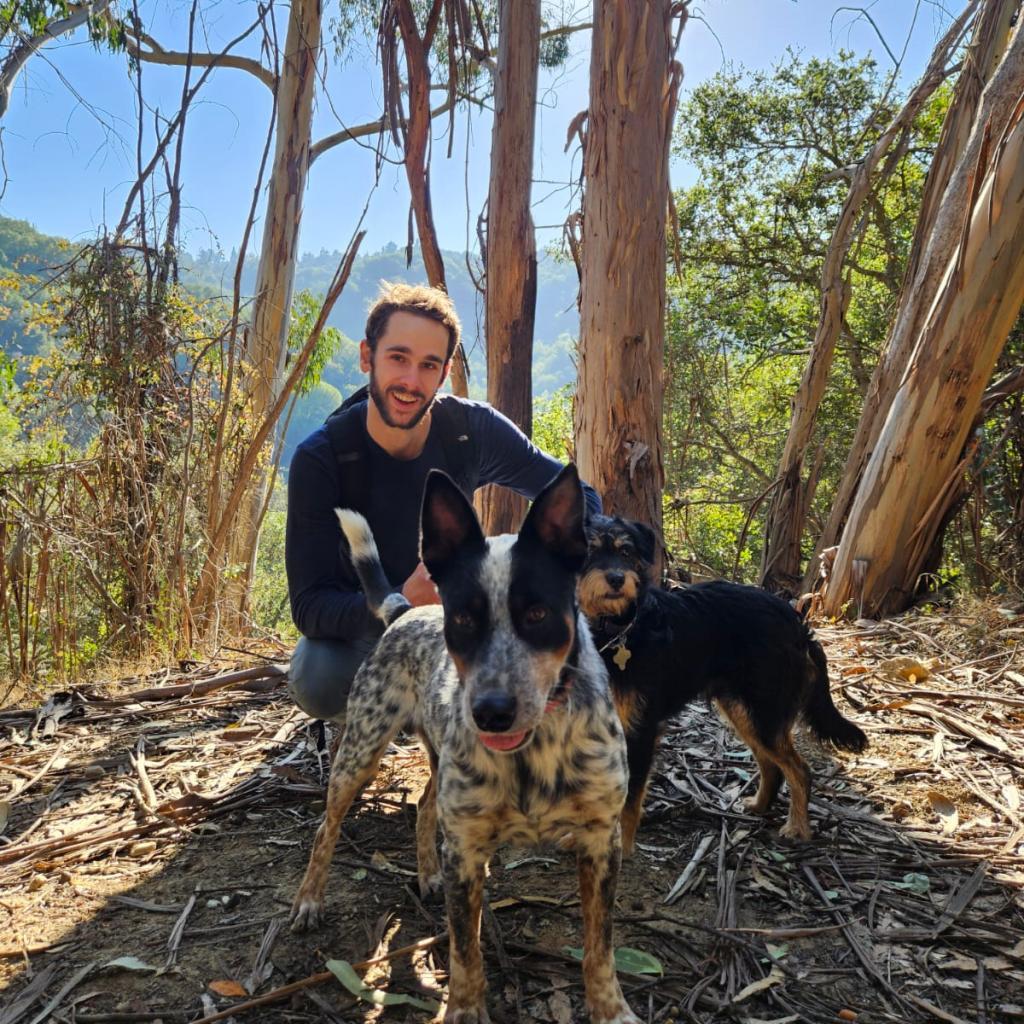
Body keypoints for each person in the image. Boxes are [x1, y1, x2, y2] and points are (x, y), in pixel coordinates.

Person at [285, 282, 602, 722]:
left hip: (469, 624)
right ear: (366, 357)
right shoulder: (323, 459)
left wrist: (536, 564)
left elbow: (579, 496)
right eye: (398, 358)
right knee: (319, 677)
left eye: (428, 365)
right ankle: (390, 713)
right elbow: (310, 605)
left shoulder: (471, 432)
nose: (411, 382)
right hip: (375, 624)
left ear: (445, 371)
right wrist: (399, 602)